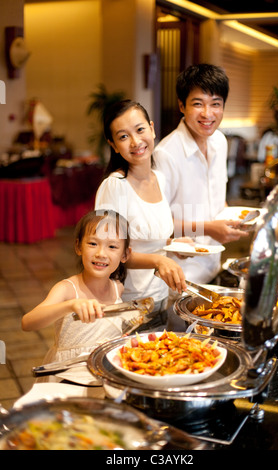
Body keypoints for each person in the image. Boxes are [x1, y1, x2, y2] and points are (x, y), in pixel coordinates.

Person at [153, 63, 248, 286]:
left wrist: (234, 219)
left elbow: (216, 198)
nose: (207, 114)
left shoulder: (220, 142)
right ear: (182, 106)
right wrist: (209, 228)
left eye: (216, 104)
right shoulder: (166, 154)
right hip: (181, 274)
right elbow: (159, 224)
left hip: (214, 264)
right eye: (198, 104)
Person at [95, 99, 186, 329]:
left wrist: (173, 245)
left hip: (160, 300)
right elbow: (106, 253)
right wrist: (158, 260)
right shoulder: (115, 186)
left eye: (140, 130)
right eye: (123, 136)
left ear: (152, 129)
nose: (136, 142)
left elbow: (149, 239)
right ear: (114, 145)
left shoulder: (160, 178)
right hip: (128, 307)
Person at [22, 209, 135, 362]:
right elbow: (28, 323)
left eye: (112, 247)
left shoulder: (117, 288)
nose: (101, 253)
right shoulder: (67, 289)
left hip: (105, 369)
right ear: (78, 247)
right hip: (68, 372)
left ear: (125, 255)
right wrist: (70, 305)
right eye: (93, 243)